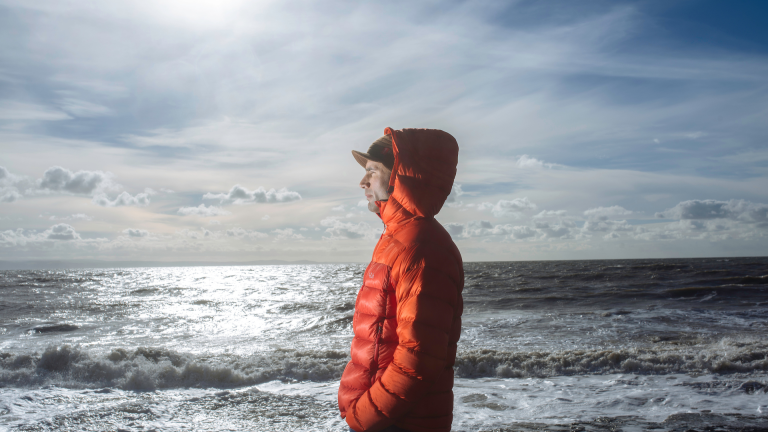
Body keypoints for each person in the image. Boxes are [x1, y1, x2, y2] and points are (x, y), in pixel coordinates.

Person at [338, 128, 464, 432]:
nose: (363, 182)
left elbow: (418, 359)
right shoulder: (397, 237)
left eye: (372, 171)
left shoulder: (421, 246)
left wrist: (363, 416)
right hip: (385, 418)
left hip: (398, 422)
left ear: (398, 177)